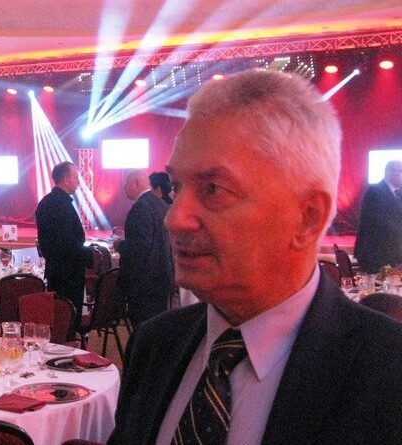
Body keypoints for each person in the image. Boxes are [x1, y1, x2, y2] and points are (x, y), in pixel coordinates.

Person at [109, 69, 402, 445]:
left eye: (213, 189)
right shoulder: (154, 344)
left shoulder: (387, 373)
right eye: (178, 187)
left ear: (307, 217)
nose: (174, 218)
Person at [35, 161, 94, 321]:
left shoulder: (50, 201)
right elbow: (66, 242)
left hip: (60, 270)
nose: (78, 181)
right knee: (66, 319)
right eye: (75, 177)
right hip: (67, 274)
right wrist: (90, 255)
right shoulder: (60, 204)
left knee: (61, 318)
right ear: (66, 180)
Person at [117, 169, 173, 328]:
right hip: (161, 278)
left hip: (144, 283)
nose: (124, 188)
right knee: (157, 329)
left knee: (143, 329)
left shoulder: (141, 207)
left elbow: (139, 248)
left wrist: (120, 246)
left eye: (126, 184)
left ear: (136, 183)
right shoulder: (161, 204)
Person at [354, 160, 402, 273]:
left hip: (392, 253)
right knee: (379, 283)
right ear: (390, 172)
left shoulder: (399, 192)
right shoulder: (375, 191)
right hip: (375, 253)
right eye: (401, 171)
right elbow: (380, 221)